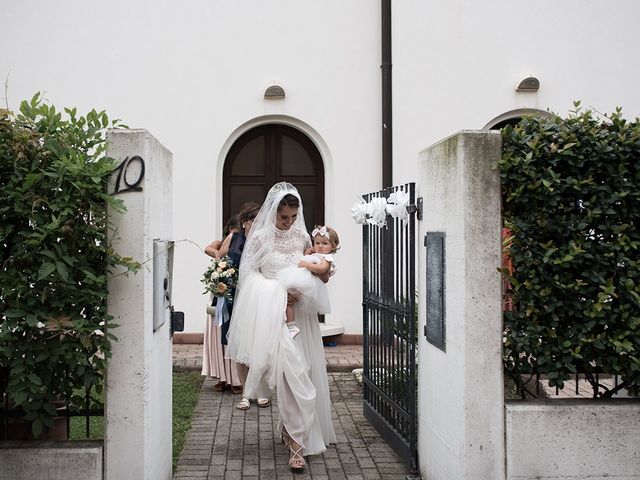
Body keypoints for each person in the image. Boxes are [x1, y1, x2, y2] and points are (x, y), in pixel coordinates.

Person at [227, 183, 336, 471]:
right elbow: (247, 278)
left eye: (292, 216)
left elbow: (311, 268)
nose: (288, 223)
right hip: (273, 315)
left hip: (302, 318)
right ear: (273, 212)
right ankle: (297, 444)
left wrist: (323, 273)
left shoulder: (302, 236)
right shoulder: (261, 238)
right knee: (291, 376)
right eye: (283, 217)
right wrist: (278, 293)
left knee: (306, 372)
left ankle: (295, 431)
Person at [201, 215, 244, 393]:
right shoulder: (223, 241)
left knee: (232, 334)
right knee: (217, 335)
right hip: (220, 293)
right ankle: (221, 377)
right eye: (232, 232)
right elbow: (209, 249)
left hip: (237, 294)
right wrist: (222, 262)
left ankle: (236, 378)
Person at [278, 225, 340, 338]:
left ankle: (291, 326)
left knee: (290, 299)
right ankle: (290, 325)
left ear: (333, 246)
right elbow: (308, 259)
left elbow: (322, 269)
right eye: (317, 243)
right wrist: (307, 254)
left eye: (324, 243)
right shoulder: (316, 254)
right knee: (287, 298)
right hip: (303, 278)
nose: (320, 246)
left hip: (310, 283)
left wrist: (306, 264)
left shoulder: (327, 258)